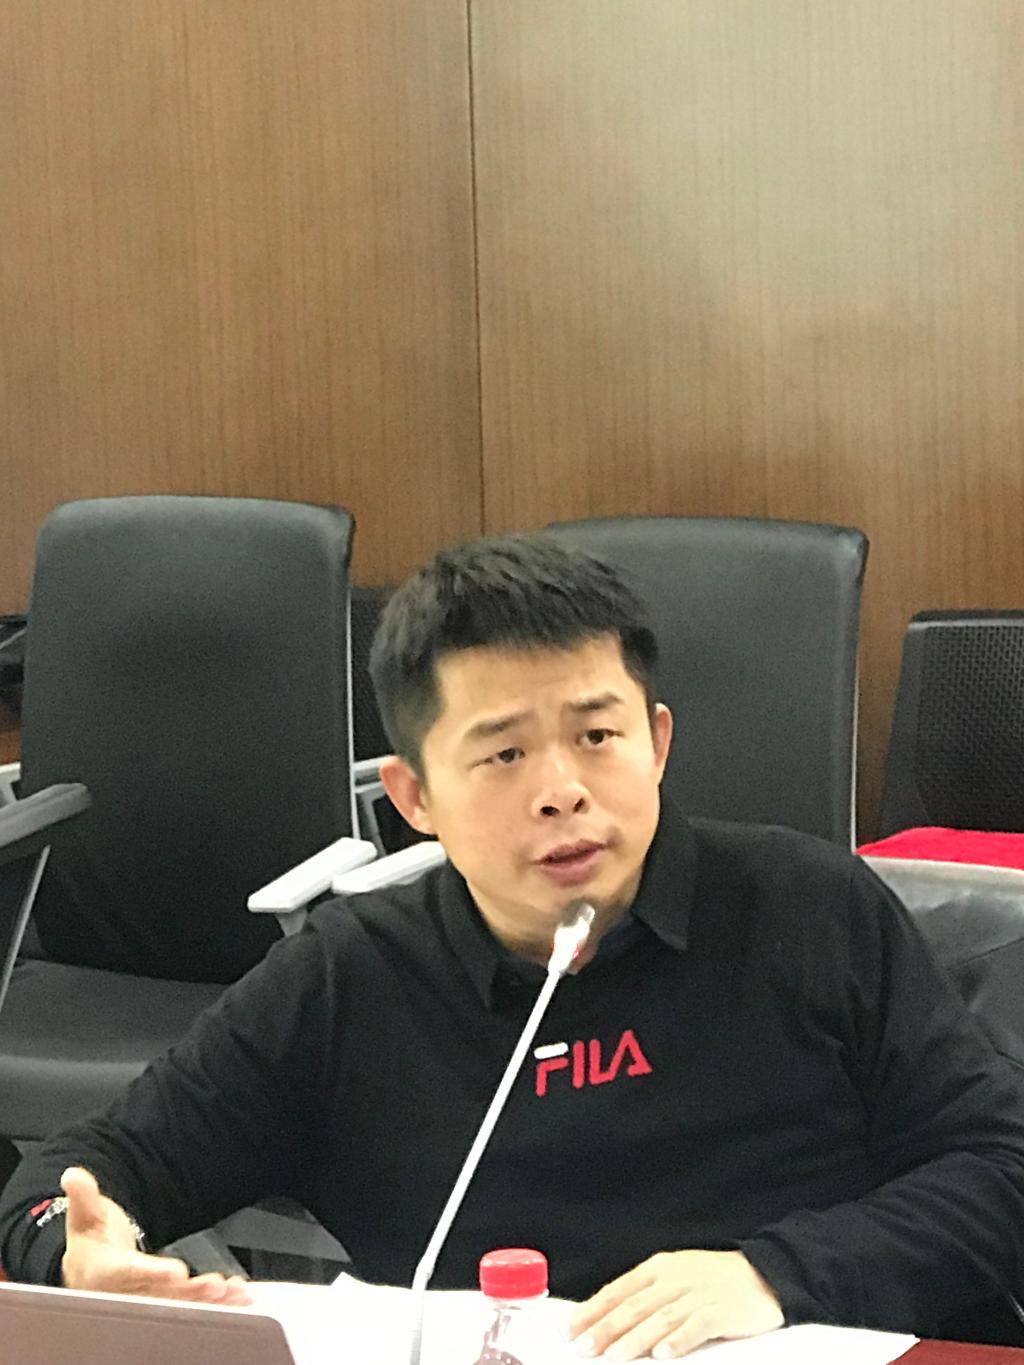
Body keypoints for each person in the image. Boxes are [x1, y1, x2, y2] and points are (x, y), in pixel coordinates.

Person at [2, 533, 1024, 1359]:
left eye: (597, 735)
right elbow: (72, 1179)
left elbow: (1000, 1167)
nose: (561, 790)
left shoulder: (807, 908)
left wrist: (775, 1274)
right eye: (502, 753)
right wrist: (78, 1250)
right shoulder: (350, 977)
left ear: (658, 742)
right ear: (413, 797)